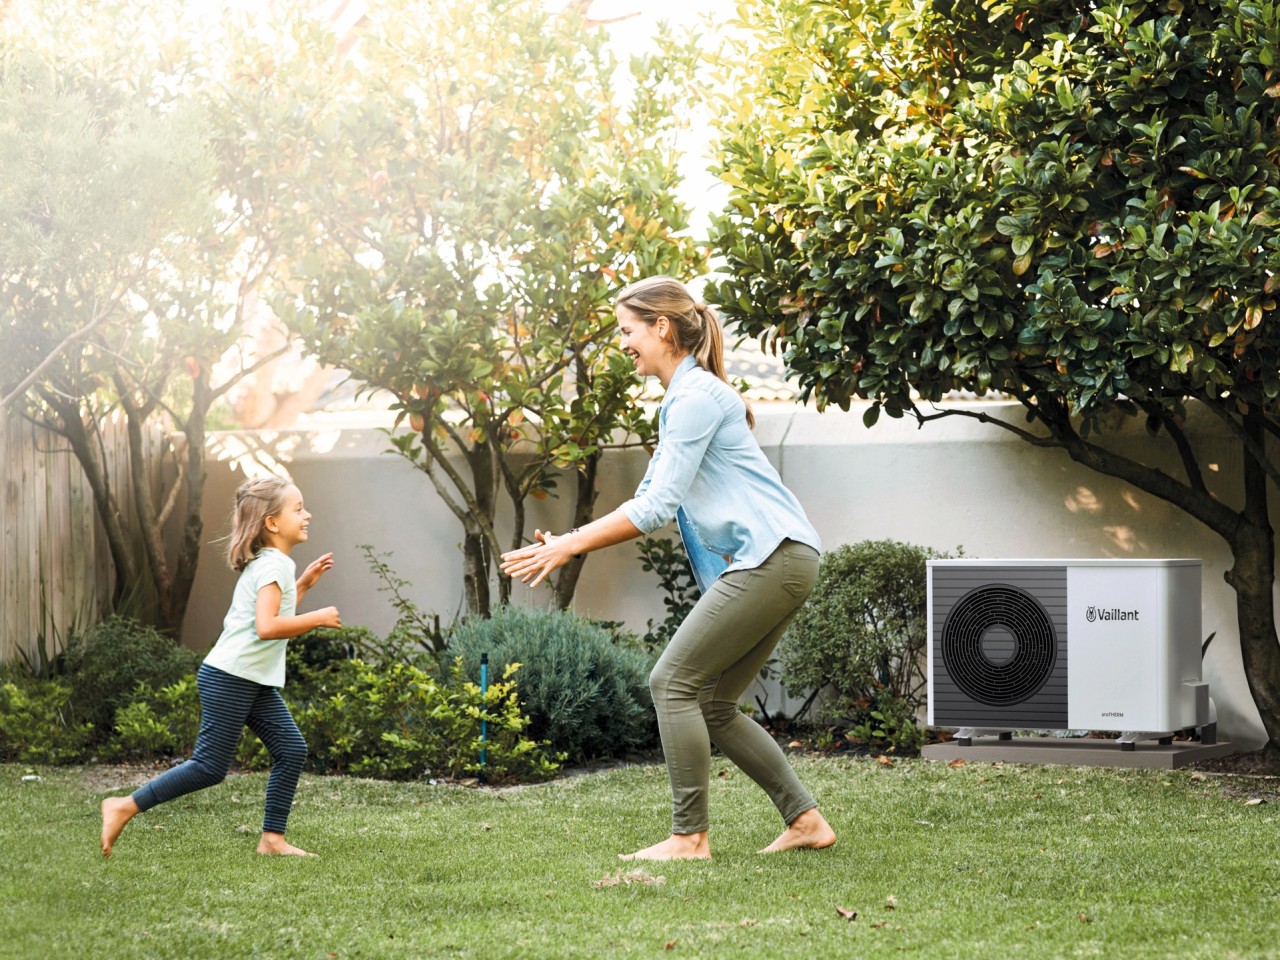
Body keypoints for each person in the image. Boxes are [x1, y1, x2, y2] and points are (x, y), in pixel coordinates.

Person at [500, 275, 836, 861]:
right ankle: (805, 820)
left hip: (773, 556)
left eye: (627, 331)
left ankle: (690, 837)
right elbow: (654, 494)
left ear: (661, 327)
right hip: (781, 557)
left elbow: (653, 509)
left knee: (671, 682)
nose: (622, 344)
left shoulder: (695, 398)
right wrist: (569, 540)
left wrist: (570, 546)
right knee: (711, 703)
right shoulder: (686, 399)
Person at [100, 477, 341, 858]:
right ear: (272, 523)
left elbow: (265, 617)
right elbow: (267, 628)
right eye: (298, 508)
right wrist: (316, 617)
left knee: (291, 749)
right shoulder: (274, 564)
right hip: (232, 677)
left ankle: (272, 840)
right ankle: (123, 806)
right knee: (210, 766)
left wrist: (304, 586)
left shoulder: (272, 563)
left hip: (248, 677)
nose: (307, 514)